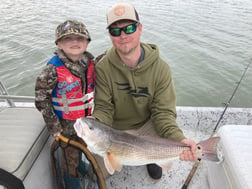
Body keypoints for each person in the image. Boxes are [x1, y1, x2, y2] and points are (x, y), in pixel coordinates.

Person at [91, 3, 197, 180]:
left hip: (148, 127)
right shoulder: (102, 68)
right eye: (116, 31)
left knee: (160, 138)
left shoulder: (161, 68)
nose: (123, 36)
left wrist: (179, 139)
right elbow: (104, 108)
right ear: (110, 35)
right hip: (115, 131)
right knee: (96, 175)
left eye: (129, 28)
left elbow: (163, 113)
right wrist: (94, 123)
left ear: (140, 29)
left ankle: (152, 158)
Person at [35, 20, 95, 188]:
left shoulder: (92, 63)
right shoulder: (52, 70)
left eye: (80, 38)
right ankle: (72, 180)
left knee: (82, 147)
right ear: (59, 44)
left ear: (87, 42)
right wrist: (54, 125)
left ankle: (81, 166)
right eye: (68, 39)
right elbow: (41, 100)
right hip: (64, 126)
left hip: (85, 122)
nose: (75, 42)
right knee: (70, 158)